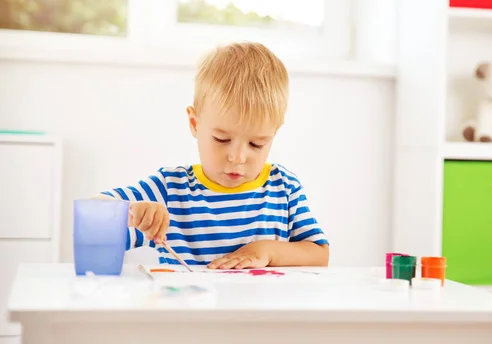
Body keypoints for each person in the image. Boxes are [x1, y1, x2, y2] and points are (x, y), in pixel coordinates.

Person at [96, 41, 329, 270]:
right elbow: (92, 213)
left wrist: (266, 250)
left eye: (257, 144)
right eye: (222, 140)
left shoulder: (283, 187)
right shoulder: (169, 190)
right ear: (195, 123)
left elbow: (319, 253)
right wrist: (131, 212)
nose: (238, 157)